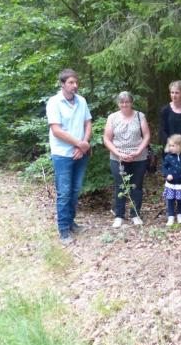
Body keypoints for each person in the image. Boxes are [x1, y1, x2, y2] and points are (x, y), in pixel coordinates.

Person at [46, 68, 92, 245]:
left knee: (75, 190)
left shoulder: (82, 101)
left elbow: (88, 123)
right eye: (71, 82)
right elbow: (56, 130)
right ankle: (63, 229)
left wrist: (83, 143)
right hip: (62, 155)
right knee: (64, 192)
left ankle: (71, 222)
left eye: (76, 82)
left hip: (80, 152)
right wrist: (79, 144)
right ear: (63, 84)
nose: (75, 85)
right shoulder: (54, 102)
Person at [102, 91, 151, 228]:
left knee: (137, 186)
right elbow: (107, 139)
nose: (125, 104)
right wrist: (118, 153)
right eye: (122, 102)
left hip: (139, 157)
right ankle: (119, 215)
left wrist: (138, 151)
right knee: (120, 186)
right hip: (117, 157)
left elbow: (147, 135)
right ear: (118, 103)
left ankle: (135, 214)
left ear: (131, 102)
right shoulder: (112, 117)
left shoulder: (140, 116)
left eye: (127, 102)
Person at [162, 134, 181, 226]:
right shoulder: (168, 157)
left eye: (173, 145)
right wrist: (167, 174)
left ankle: (180, 216)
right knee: (170, 200)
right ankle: (170, 217)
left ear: (180, 146)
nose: (171, 147)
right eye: (169, 145)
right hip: (171, 184)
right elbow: (164, 167)